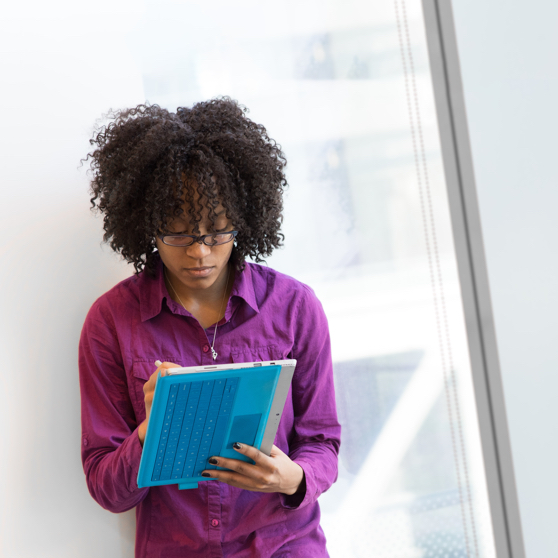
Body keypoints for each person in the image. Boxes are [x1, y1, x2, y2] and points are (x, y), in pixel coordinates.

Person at [79, 98, 341, 558]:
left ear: (243, 221)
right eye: (178, 234)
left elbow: (322, 442)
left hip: (284, 544)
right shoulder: (111, 323)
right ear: (147, 228)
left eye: (217, 231)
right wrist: (148, 432)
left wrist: (293, 478)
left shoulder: (295, 308)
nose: (199, 253)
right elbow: (107, 489)